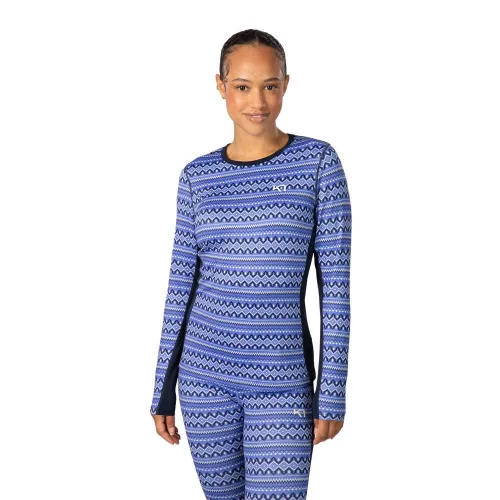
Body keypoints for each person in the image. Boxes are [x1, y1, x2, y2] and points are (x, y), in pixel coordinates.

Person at [150, 28, 352, 500]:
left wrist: (333, 390)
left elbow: (336, 289)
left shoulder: (318, 163)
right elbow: (181, 284)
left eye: (270, 85)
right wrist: (163, 386)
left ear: (286, 84)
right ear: (221, 86)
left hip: (281, 383)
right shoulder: (197, 176)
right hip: (203, 380)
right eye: (242, 86)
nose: (257, 101)